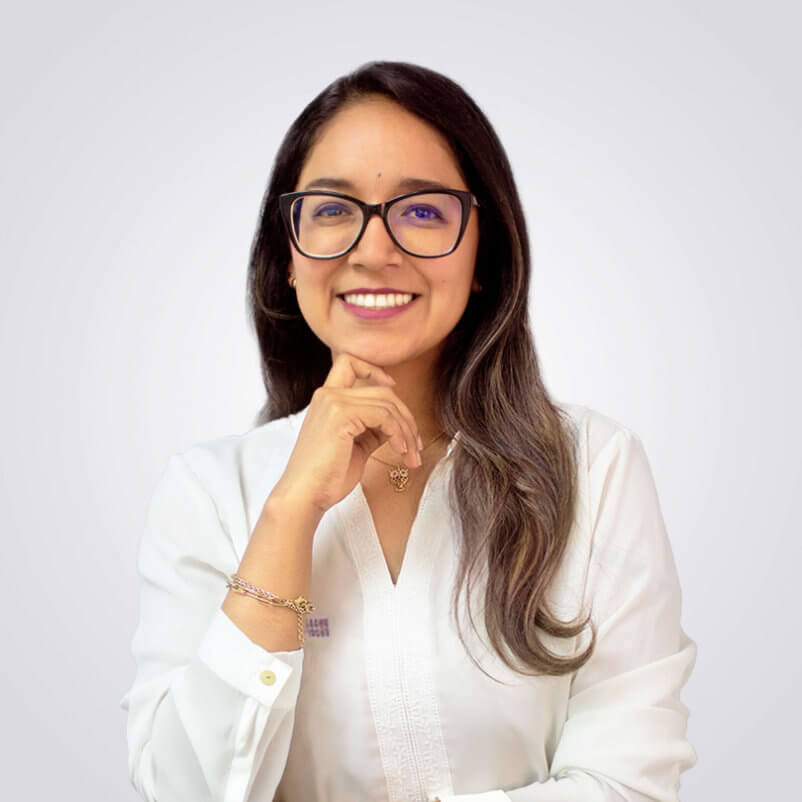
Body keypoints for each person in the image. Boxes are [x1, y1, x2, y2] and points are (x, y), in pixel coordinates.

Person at [119, 61, 696, 802]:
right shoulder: (209, 491)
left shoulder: (594, 470)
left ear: (483, 251)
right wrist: (289, 514)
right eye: (332, 209)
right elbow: (181, 789)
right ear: (287, 258)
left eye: (423, 212)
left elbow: (629, 785)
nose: (373, 250)